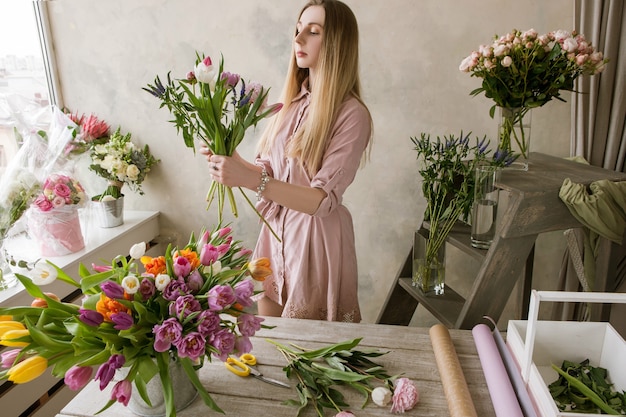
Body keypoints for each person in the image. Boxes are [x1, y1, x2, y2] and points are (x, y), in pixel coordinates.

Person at [201, 0, 373, 322]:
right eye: (298, 30)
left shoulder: (352, 115)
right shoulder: (289, 103)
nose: (298, 40)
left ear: (337, 42)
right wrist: (230, 161)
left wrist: (251, 179)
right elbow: (269, 170)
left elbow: (322, 201)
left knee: (308, 355)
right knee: (270, 340)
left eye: (313, 31)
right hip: (275, 236)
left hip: (316, 245)